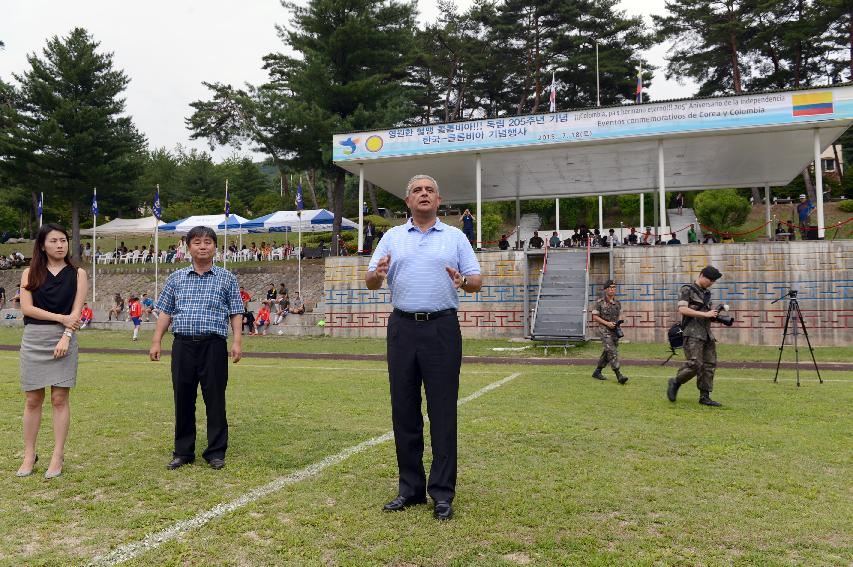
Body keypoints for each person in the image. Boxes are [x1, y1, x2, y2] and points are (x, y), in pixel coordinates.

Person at [365, 174, 482, 521]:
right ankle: (410, 489)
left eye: (430, 189)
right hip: (402, 327)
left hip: (442, 328)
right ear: (408, 201)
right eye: (417, 190)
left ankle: (442, 493)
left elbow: (476, 280)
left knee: (443, 411)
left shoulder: (456, 237)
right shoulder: (392, 237)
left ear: (438, 198)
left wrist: (464, 281)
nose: (424, 194)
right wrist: (378, 273)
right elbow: (370, 281)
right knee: (404, 409)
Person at [150, 226, 244, 471]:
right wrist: (156, 340)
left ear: (215, 246)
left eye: (208, 242)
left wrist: (236, 341)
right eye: (197, 242)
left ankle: (215, 451)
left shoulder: (227, 278)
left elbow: (236, 312)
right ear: (188, 247)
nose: (203, 246)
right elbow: (165, 312)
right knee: (183, 399)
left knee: (215, 399)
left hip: (213, 345)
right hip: (182, 345)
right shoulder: (176, 278)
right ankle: (183, 451)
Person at [17, 223, 87, 479]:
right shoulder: (29, 273)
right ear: (42, 245)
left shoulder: (78, 273)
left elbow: (76, 312)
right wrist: (61, 318)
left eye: (64, 240)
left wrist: (66, 336)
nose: (60, 245)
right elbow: (27, 308)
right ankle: (29, 454)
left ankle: (58, 454)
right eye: (54, 241)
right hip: (34, 338)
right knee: (33, 400)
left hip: (64, 339)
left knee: (59, 399)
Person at [667, 266, 724, 407]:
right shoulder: (687, 289)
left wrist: (714, 316)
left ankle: (705, 396)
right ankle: (676, 382)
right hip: (692, 334)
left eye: (713, 281)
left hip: (707, 334)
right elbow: (682, 309)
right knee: (695, 364)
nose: (712, 283)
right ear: (702, 275)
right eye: (710, 280)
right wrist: (705, 314)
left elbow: (706, 314)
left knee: (709, 365)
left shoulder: (706, 294)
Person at [591, 280, 628, 384]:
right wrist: (607, 324)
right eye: (610, 287)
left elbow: (619, 315)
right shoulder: (600, 303)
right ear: (606, 289)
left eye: (614, 287)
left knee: (608, 351)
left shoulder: (617, 303)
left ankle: (597, 371)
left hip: (614, 331)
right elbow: (595, 317)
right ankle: (619, 375)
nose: (612, 289)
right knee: (612, 351)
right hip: (604, 330)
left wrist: (619, 321)